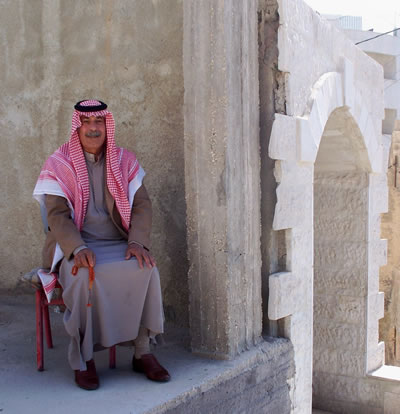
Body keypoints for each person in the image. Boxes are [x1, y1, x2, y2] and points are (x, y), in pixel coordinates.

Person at [33, 99, 170, 390]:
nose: (92, 128)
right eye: (86, 123)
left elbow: (142, 206)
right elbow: (57, 215)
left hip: (119, 243)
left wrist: (137, 242)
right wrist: (78, 248)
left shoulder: (124, 160)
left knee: (146, 270)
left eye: (98, 122)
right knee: (82, 277)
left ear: (107, 126)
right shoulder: (59, 163)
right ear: (77, 126)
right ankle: (84, 360)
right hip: (76, 247)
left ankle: (142, 352)